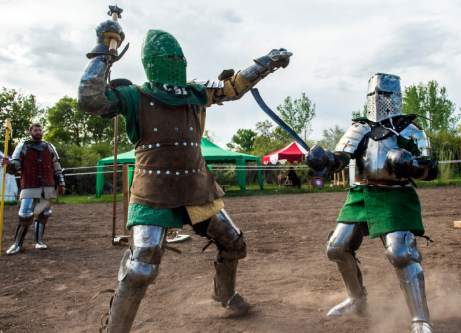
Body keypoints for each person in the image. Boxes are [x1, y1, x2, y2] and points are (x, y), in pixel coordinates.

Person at [78, 18, 292, 333]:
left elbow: (233, 87)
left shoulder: (194, 92)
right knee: (141, 266)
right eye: (169, 59)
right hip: (153, 192)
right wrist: (104, 53)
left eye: (178, 58)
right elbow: (89, 98)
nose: (175, 63)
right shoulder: (135, 96)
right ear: (153, 64)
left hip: (196, 189)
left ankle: (226, 296)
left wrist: (266, 62)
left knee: (234, 243)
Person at [307, 73, 438, 333]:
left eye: (385, 97)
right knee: (336, 247)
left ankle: (420, 319)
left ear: (396, 98)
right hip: (361, 194)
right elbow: (340, 159)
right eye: (374, 96)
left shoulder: (410, 131)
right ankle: (357, 300)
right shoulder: (360, 128)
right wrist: (324, 161)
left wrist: (410, 165)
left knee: (400, 253)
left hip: (395, 195)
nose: (379, 102)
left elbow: (431, 169)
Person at [5, 123, 65, 255]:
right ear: (30, 131)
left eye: (40, 129)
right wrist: (8, 164)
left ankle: (39, 241)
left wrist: (61, 183)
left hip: (48, 185)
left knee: (44, 214)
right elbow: (15, 165)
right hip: (30, 185)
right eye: (35, 130)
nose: (38, 132)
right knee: (25, 215)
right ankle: (17, 244)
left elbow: (56, 165)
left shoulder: (49, 146)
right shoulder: (23, 145)